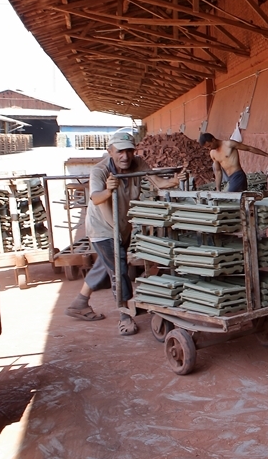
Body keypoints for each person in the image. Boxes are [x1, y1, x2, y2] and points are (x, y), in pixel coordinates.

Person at [65, 131, 185, 335]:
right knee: (119, 270)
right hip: (102, 228)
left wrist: (174, 181)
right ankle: (125, 315)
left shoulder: (138, 164)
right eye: (120, 151)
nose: (125, 156)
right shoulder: (100, 170)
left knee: (107, 264)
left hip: (121, 225)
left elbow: (158, 183)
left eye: (129, 151)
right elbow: (95, 198)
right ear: (110, 151)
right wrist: (108, 190)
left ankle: (80, 303)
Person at [199, 133, 268, 192]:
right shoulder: (212, 153)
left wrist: (267, 155)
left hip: (238, 175)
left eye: (209, 145)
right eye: (207, 147)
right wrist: (218, 189)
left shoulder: (229, 144)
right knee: (240, 200)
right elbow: (218, 171)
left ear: (213, 140)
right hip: (230, 178)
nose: (209, 148)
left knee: (229, 198)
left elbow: (249, 148)